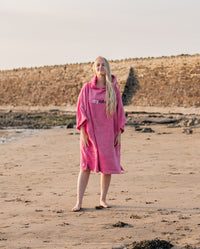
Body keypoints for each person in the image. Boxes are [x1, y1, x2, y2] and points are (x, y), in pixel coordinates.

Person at [72, 56, 127, 212]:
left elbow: (119, 113)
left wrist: (118, 134)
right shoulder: (86, 89)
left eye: (103, 65)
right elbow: (80, 111)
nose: (100, 67)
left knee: (107, 168)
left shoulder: (113, 90)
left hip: (108, 134)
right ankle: (79, 202)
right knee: (85, 167)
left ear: (107, 68)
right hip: (89, 135)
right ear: (94, 68)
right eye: (98, 65)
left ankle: (103, 199)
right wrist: (82, 132)